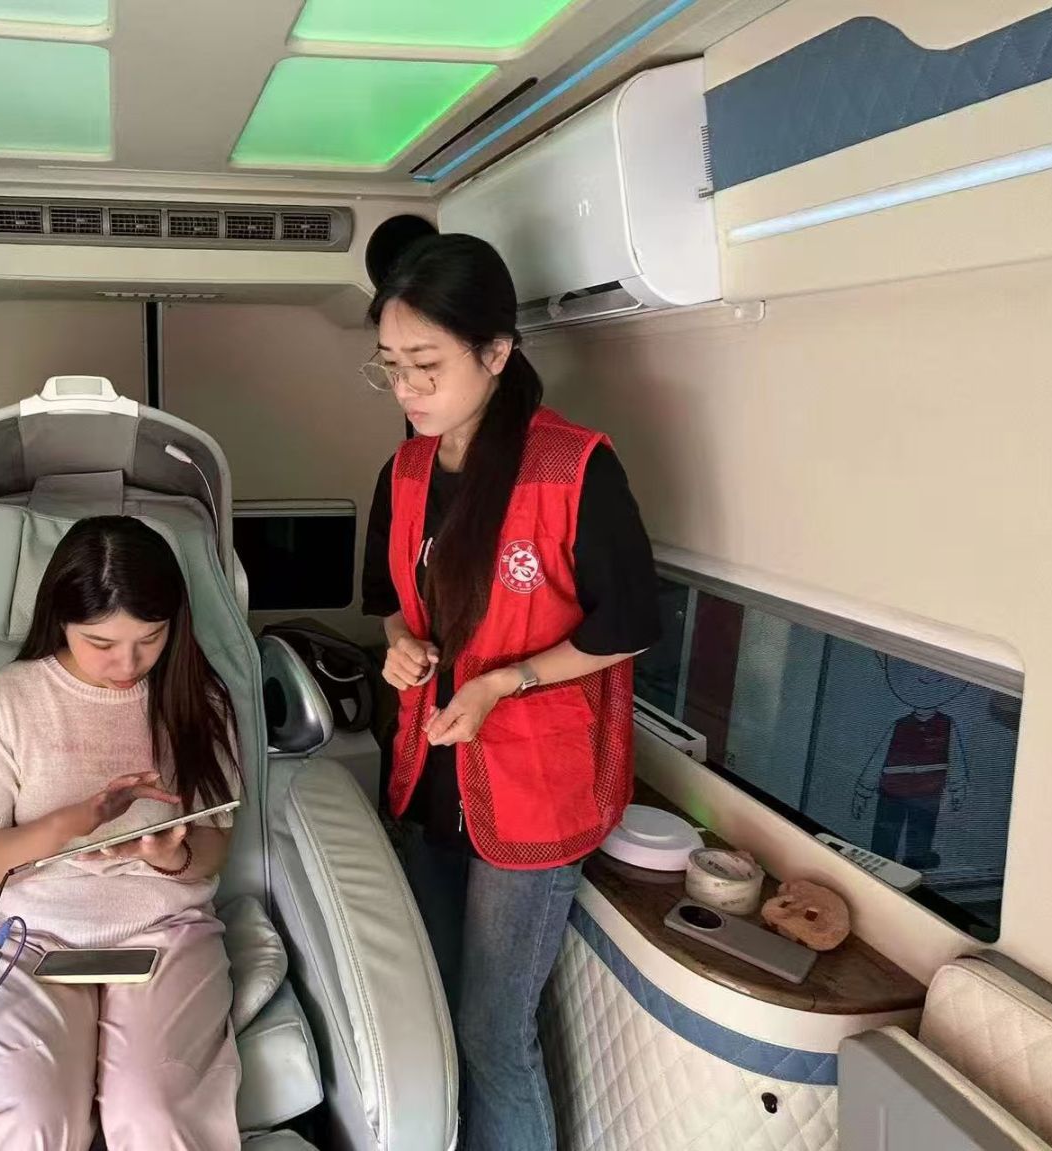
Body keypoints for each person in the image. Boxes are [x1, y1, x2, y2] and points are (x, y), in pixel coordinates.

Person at [360, 234, 660, 1150]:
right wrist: (401, 646)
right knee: (434, 1010)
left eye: (426, 364)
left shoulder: (572, 467)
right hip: (432, 771)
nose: (407, 389)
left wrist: (504, 680)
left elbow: (629, 623)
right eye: (390, 367)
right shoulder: (404, 472)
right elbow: (388, 605)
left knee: (493, 1032)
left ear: (495, 353)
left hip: (533, 784)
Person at [0, 516, 243, 1151]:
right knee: (29, 1120)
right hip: (30, 935)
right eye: (101, 643)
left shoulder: (197, 699)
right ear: (62, 620)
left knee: (153, 1113)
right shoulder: (8, 700)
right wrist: (69, 825)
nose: (127, 664)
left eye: (150, 638)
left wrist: (170, 857)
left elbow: (213, 849)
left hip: (164, 929)